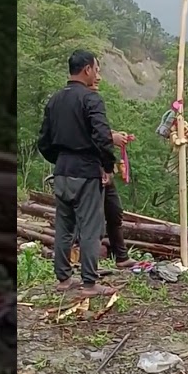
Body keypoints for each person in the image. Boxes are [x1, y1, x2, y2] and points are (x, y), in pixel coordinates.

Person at [38, 51, 116, 298]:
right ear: (87, 69)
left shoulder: (55, 100)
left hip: (62, 170)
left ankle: (63, 279)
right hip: (86, 170)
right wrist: (107, 166)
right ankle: (89, 283)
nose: (97, 74)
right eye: (97, 69)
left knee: (64, 225)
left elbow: (44, 141)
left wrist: (60, 160)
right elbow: (103, 136)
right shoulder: (91, 99)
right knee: (90, 227)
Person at [105, 130, 137, 269]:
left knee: (115, 212)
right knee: (92, 219)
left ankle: (121, 256)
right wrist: (111, 138)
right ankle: (89, 263)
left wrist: (115, 134)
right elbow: (85, 135)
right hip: (90, 172)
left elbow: (99, 129)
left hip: (106, 172)